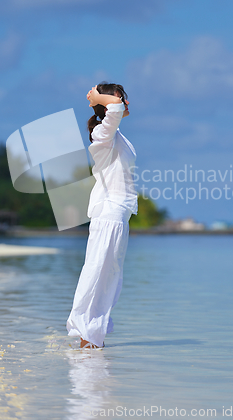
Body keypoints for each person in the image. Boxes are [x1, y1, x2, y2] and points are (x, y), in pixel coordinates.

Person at [66, 82, 138, 349]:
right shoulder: (102, 133)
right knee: (98, 271)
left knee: (110, 275)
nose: (124, 101)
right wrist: (98, 97)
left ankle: (93, 336)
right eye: (120, 97)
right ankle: (87, 335)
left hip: (119, 214)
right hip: (109, 211)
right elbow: (117, 109)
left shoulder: (115, 133)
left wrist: (107, 101)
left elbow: (120, 110)